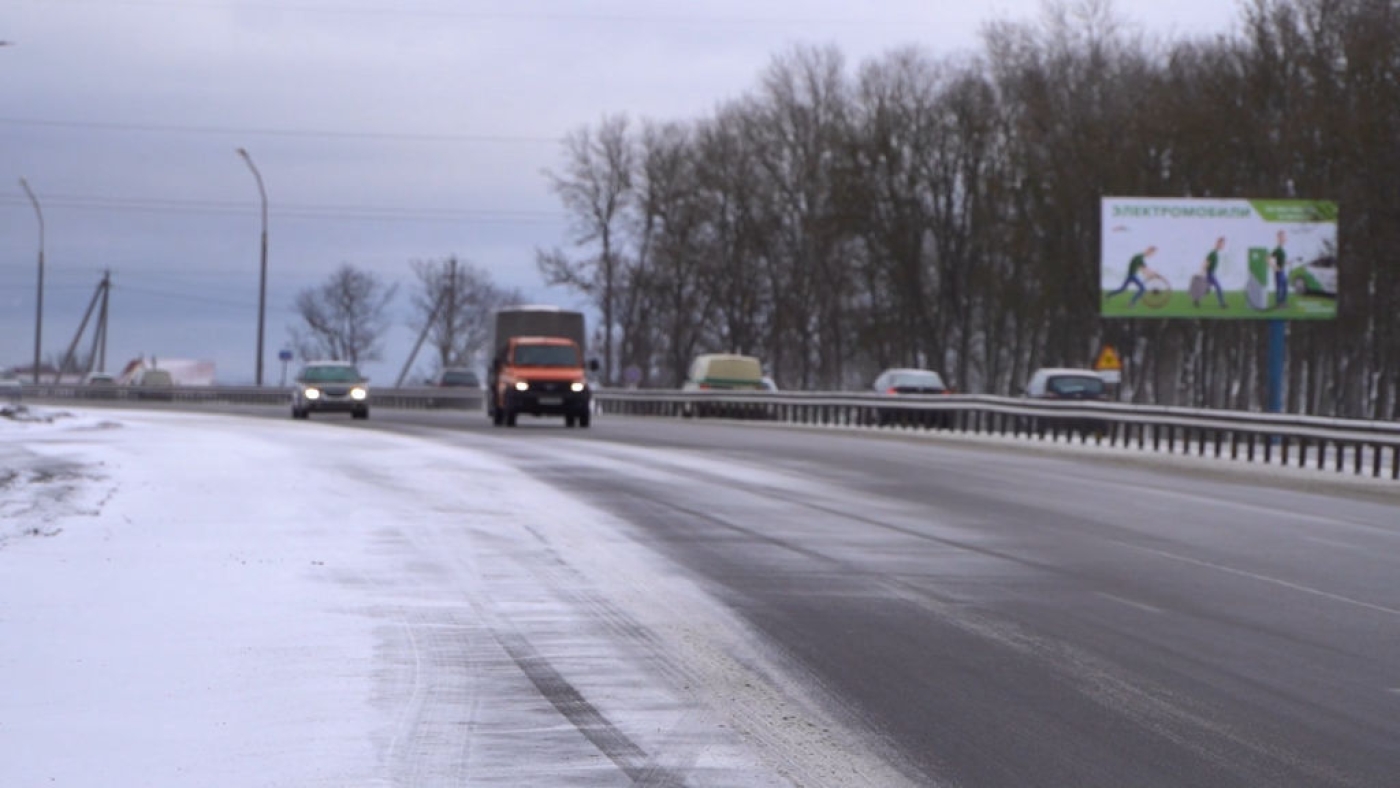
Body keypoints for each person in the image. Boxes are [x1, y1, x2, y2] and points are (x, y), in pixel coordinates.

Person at [1195, 236, 1228, 308]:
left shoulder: (1215, 253)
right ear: (1217, 243)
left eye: (1223, 244)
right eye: (1221, 244)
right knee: (1218, 287)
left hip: (1210, 273)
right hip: (1210, 274)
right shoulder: (1212, 253)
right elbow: (1206, 262)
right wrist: (1202, 272)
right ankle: (1222, 304)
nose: (1222, 245)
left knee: (1207, 289)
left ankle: (1197, 300)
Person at [1270, 230, 1289, 309]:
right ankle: (1279, 304)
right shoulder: (1277, 249)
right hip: (1279, 272)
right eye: (1282, 237)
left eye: (1284, 237)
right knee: (1280, 288)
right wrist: (1275, 267)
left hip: (1283, 271)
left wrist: (1287, 262)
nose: (1284, 238)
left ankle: (1283, 303)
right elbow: (1268, 259)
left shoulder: (1282, 250)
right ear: (1278, 238)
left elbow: (1282, 261)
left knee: (1285, 287)